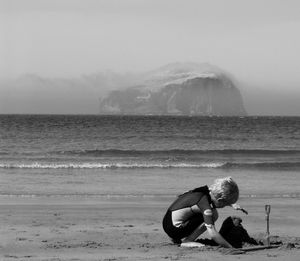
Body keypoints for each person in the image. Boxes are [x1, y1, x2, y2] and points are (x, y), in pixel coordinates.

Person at [162, 177, 244, 248]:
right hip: (174, 230)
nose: (225, 206)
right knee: (213, 215)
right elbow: (212, 233)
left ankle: (175, 238)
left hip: (167, 221)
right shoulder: (205, 205)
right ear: (220, 200)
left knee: (205, 211)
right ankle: (187, 241)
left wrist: (231, 204)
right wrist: (230, 247)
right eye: (225, 204)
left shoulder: (204, 191)